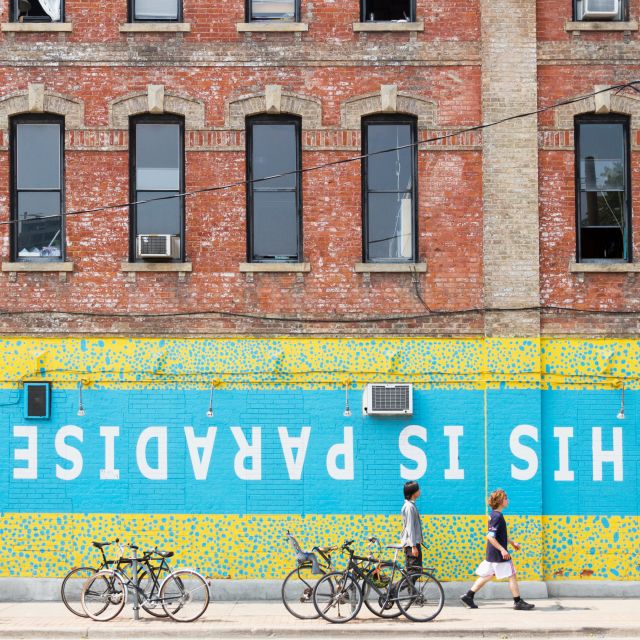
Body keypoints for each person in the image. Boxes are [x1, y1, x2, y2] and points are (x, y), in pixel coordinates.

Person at [460, 488, 535, 610]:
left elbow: (500, 535)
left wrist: (511, 543)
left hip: (492, 552)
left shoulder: (494, 515)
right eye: (505, 498)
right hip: (498, 553)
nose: (507, 500)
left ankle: (468, 596)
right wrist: (503, 550)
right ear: (500, 501)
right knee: (512, 574)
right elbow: (490, 536)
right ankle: (518, 602)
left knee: (488, 575)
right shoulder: (498, 517)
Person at [400, 481, 423, 572]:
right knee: (414, 572)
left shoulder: (411, 505)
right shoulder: (409, 507)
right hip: (411, 544)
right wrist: (413, 546)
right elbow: (410, 527)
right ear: (413, 492)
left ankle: (402, 586)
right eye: (418, 489)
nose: (419, 491)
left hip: (413, 543)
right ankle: (397, 587)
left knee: (414, 571)